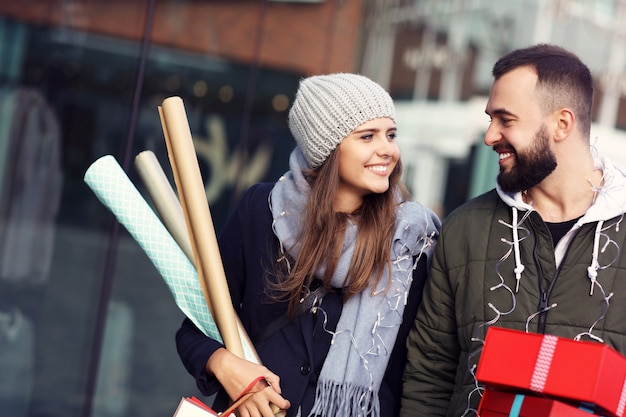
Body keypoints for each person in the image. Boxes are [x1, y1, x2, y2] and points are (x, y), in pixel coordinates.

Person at [176, 73, 440, 417]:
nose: (387, 149)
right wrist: (226, 366)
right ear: (326, 147)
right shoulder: (261, 209)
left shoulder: (411, 240)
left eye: (390, 135)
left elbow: (417, 373)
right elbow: (194, 331)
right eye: (367, 136)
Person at [400, 43, 626, 417]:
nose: (490, 136)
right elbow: (429, 375)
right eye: (490, 119)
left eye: (505, 120)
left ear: (561, 124)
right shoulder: (465, 229)